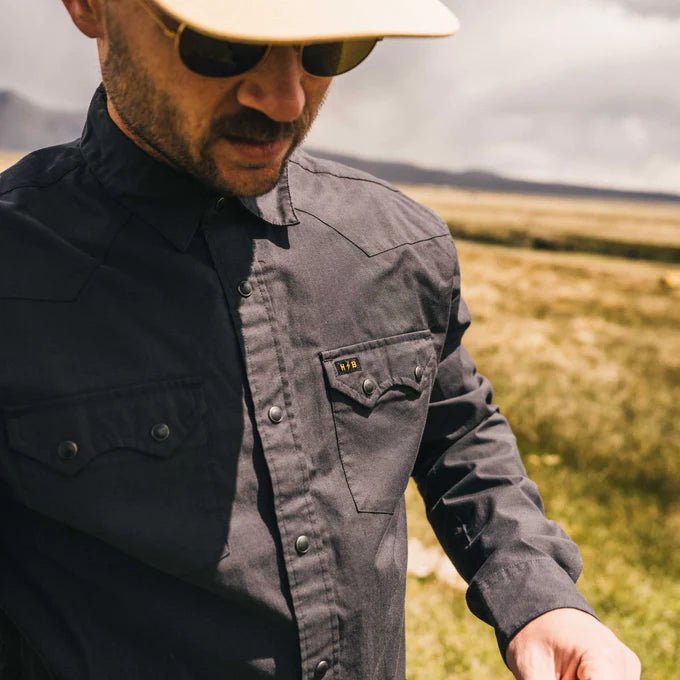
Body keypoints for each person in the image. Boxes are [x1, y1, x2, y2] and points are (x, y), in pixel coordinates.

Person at [0, 0, 641, 678]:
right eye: (224, 44)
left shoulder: (397, 243)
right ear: (91, 7)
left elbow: (454, 426)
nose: (284, 98)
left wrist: (541, 598)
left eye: (329, 47)